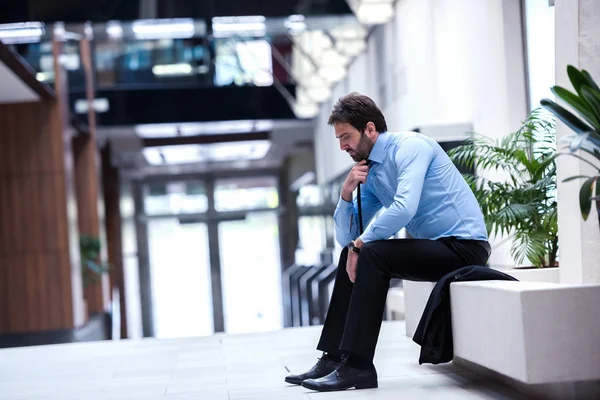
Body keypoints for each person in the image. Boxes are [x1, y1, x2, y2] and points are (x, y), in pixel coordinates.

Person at [284, 93, 491, 392]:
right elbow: (347, 237)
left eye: (346, 137)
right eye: (339, 139)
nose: (342, 146)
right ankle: (333, 358)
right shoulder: (370, 169)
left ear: (369, 129)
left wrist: (360, 244)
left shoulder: (411, 147)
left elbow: (404, 207)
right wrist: (345, 193)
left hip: (464, 247)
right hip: (435, 249)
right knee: (354, 253)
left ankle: (357, 367)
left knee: (372, 253)